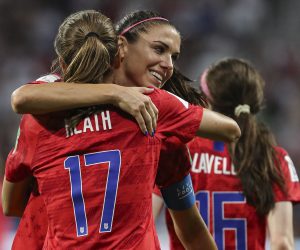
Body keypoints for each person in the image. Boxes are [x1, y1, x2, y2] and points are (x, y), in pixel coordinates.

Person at [2, 10, 240, 249]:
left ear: (63, 62)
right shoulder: (154, 112)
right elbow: (190, 227)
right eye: (159, 49)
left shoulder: (40, 117)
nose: (169, 65)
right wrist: (117, 94)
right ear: (121, 47)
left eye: (174, 57)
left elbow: (11, 205)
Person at [153, 58, 300, 250]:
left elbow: (145, 218)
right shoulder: (272, 158)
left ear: (207, 101)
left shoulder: (179, 149)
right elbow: (282, 244)